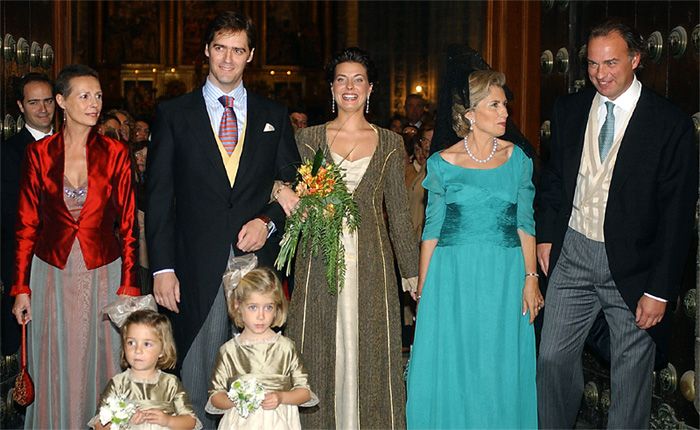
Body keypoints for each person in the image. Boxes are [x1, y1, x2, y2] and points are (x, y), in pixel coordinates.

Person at [536, 21, 698, 429]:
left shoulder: (669, 124)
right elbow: (555, 180)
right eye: (592, 64)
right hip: (572, 250)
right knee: (551, 356)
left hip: (634, 263)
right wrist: (546, 236)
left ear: (636, 60)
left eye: (611, 62)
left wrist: (659, 290)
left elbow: (677, 217)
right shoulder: (569, 110)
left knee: (630, 372)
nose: (600, 74)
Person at [146, 11, 299, 426]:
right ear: (207, 52)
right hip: (195, 270)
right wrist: (162, 267)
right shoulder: (174, 114)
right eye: (220, 49)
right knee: (197, 381)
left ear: (250, 55)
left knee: (252, 385)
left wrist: (267, 221)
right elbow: (159, 198)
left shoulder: (274, 114)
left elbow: (296, 184)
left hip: (256, 274)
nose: (228, 59)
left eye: (237, 50)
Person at [279, 47, 419, 429]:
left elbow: (400, 215)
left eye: (358, 79)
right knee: (317, 347)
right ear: (331, 88)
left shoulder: (390, 143)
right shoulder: (306, 139)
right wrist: (280, 191)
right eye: (342, 79)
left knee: (370, 349)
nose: (350, 86)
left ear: (371, 88)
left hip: (371, 263)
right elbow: (282, 186)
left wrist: (411, 272)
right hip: (318, 259)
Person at [406, 70, 541, 429]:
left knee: (498, 359)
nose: (504, 113)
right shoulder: (440, 164)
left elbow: (525, 224)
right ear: (469, 114)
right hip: (453, 275)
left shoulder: (518, 160)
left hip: (505, 272)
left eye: (505, 105)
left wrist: (531, 279)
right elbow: (431, 230)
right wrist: (425, 286)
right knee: (456, 357)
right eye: (494, 104)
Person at [10, 64, 139, 429]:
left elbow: (129, 225)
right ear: (62, 102)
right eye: (84, 96)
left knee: (105, 357)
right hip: (52, 272)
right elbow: (26, 225)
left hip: (103, 269)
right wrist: (21, 287)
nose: (94, 103)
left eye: (98, 96)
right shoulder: (39, 154)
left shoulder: (116, 152)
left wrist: (129, 283)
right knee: (57, 360)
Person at [206, 267, 313, 429]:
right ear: (237, 306)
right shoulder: (229, 351)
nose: (261, 316)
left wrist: (281, 397)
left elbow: (304, 392)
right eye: (253, 307)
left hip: (278, 423)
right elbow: (215, 396)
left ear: (277, 308)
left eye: (268, 307)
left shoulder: (285, 348)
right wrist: (236, 400)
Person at [1, 72, 55, 357]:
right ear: (21, 107)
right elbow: (11, 215)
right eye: (34, 103)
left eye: (48, 101)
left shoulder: (72, 147)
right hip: (29, 265)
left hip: (70, 266)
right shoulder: (8, 153)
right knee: (30, 350)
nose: (43, 109)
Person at [90, 310, 200, 430]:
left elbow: (190, 421)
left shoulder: (170, 384)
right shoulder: (117, 384)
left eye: (147, 344)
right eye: (131, 343)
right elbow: (99, 424)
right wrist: (123, 420)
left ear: (162, 350)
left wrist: (168, 420)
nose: (137, 350)